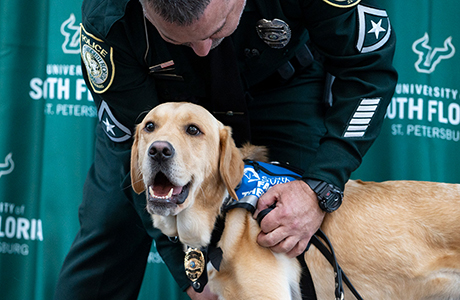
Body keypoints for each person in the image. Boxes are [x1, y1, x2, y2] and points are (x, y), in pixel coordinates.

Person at [54, 0, 397, 299]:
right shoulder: (108, 17)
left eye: (217, 29)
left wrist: (321, 185)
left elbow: (367, 70)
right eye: (175, 38)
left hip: (282, 85)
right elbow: (128, 139)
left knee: (290, 235)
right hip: (164, 104)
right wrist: (190, 272)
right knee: (111, 225)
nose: (204, 49)